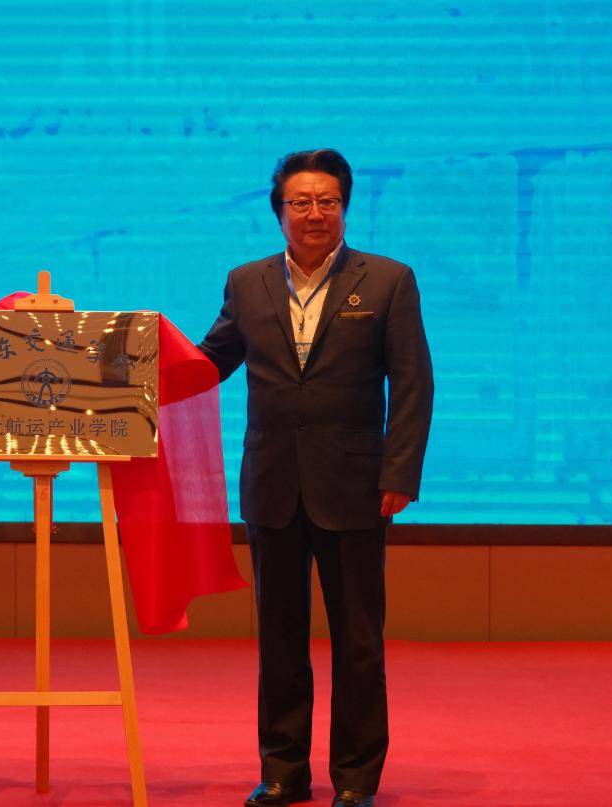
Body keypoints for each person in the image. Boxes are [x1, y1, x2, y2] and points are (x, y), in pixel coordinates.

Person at [198, 149, 433, 807]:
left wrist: (399, 472)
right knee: (279, 639)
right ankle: (284, 772)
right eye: (300, 202)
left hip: (356, 487)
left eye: (327, 201)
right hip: (272, 484)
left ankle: (356, 779)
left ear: (345, 208)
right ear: (279, 212)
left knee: (358, 641)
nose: (314, 213)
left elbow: (413, 383)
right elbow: (208, 362)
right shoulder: (247, 283)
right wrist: (129, 364)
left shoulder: (388, 281)